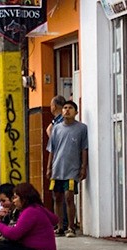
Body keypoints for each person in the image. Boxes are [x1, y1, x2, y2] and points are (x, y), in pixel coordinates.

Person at [46, 100, 88, 238]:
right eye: (64, 107)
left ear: (76, 112)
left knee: (69, 196)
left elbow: (84, 149)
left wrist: (83, 167)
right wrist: (49, 167)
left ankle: (71, 227)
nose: (67, 110)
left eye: (70, 108)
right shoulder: (56, 128)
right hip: (57, 168)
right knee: (57, 197)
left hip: (72, 169)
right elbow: (51, 149)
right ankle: (60, 227)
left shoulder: (82, 128)